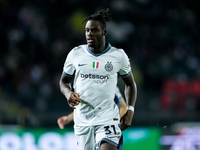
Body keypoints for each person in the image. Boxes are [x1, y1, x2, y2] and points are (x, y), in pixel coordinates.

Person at [59, 8, 137, 150]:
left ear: (104, 32)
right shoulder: (75, 54)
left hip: (108, 119)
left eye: (94, 30)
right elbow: (63, 81)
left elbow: (130, 84)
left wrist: (130, 110)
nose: (89, 34)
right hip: (82, 121)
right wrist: (68, 93)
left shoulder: (118, 56)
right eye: (87, 30)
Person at [57, 86, 127, 129]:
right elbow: (86, 109)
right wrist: (69, 118)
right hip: (88, 127)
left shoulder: (110, 83)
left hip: (106, 128)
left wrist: (118, 124)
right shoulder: (83, 85)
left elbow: (123, 106)